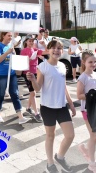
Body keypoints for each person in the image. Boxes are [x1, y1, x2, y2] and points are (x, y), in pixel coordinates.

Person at [26, 39, 76, 173]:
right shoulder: (43, 66)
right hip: (47, 107)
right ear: (48, 50)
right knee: (50, 136)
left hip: (61, 106)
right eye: (53, 48)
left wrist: (71, 104)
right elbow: (37, 89)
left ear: (62, 50)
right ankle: (50, 164)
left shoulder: (62, 66)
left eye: (59, 48)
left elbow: (64, 86)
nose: (56, 50)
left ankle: (60, 156)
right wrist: (33, 80)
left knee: (70, 135)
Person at [76, 50, 96, 173]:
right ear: (83, 62)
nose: (93, 64)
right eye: (90, 62)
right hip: (88, 110)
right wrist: (91, 96)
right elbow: (79, 95)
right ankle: (92, 164)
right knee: (93, 136)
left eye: (94, 61)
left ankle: (87, 148)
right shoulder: (83, 77)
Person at [0, 32, 31, 124]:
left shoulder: (11, 46)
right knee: (1, 94)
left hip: (12, 73)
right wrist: (7, 52)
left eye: (11, 36)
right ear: (3, 36)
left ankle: (20, 117)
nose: (10, 37)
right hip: (0, 75)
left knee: (15, 94)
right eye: (9, 35)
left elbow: (13, 60)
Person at [20, 35, 49, 122]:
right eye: (30, 41)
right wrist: (29, 59)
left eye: (32, 41)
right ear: (26, 42)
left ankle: (28, 108)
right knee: (33, 92)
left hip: (35, 72)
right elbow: (21, 63)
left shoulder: (35, 50)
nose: (31, 42)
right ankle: (36, 113)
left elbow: (47, 52)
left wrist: (44, 44)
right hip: (27, 73)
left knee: (33, 92)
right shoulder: (23, 51)